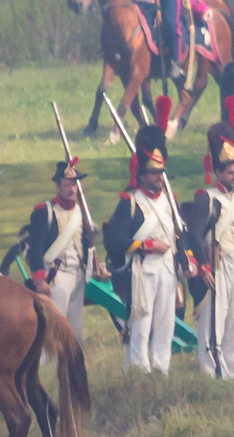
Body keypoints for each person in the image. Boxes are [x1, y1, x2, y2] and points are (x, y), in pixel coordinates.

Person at [104, 131, 182, 375]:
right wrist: (147, 246)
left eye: (161, 172)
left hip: (167, 269)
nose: (159, 177)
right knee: (141, 322)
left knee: (165, 324)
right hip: (142, 270)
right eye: (153, 173)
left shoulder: (170, 201)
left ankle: (162, 370)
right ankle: (139, 371)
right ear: (143, 174)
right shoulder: (129, 201)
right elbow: (116, 241)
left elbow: (181, 235)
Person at [181, 117, 234, 378]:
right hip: (216, 265)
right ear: (219, 173)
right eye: (230, 173)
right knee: (214, 324)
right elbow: (195, 236)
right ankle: (211, 372)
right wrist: (204, 266)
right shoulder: (206, 198)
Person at [18, 158, 99, 337]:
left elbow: (86, 245)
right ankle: (48, 364)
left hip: (77, 275)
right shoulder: (44, 211)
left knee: (75, 331)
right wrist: (39, 279)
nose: (72, 189)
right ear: (58, 186)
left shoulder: (82, 212)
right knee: (54, 330)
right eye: (67, 184)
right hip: (56, 275)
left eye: (74, 184)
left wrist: (95, 264)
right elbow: (36, 249)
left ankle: (69, 365)